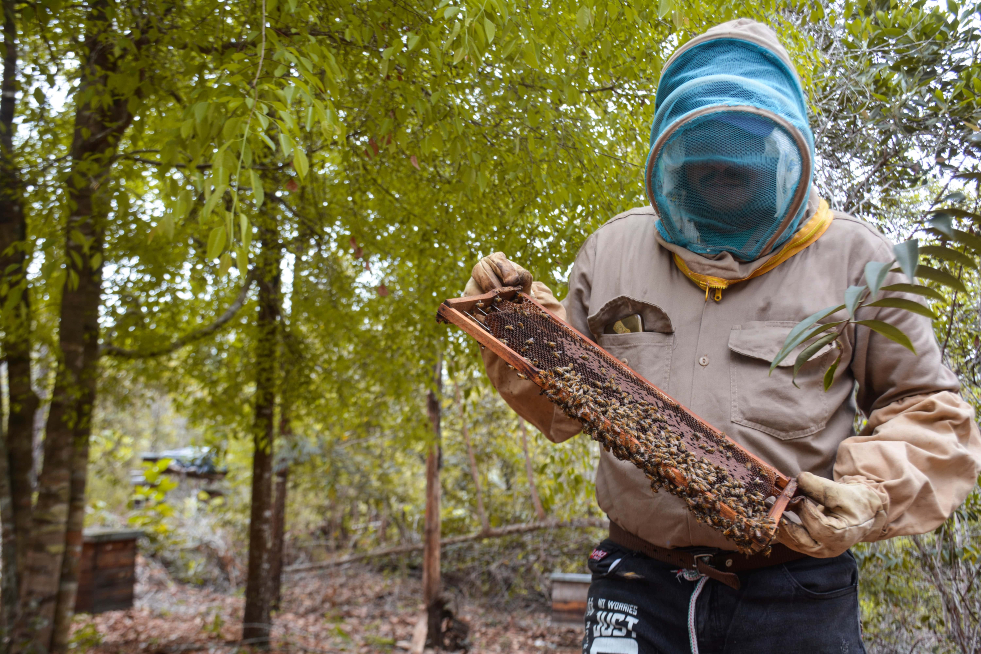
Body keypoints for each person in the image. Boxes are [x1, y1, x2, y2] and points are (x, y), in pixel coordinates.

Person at [463, 18, 981, 654]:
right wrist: (517, 329)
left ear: (785, 150)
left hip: (792, 592)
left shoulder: (861, 262)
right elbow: (562, 403)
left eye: (743, 153)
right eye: (706, 157)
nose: (724, 168)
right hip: (636, 581)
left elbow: (932, 415)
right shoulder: (612, 249)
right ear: (670, 155)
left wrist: (875, 490)